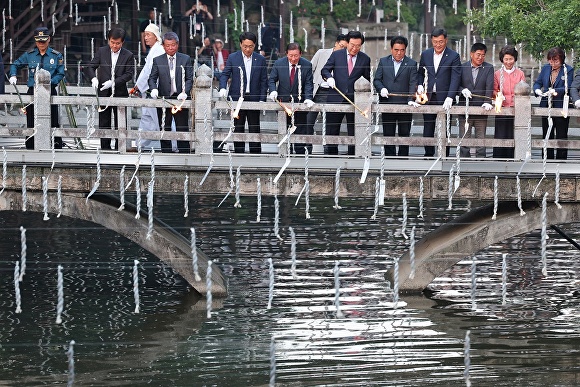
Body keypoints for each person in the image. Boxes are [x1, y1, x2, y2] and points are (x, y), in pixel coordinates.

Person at [9, 26, 64, 150]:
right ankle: (30, 146)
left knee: (53, 119)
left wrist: (49, 83)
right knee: (31, 120)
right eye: (39, 41)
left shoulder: (56, 56)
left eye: (43, 41)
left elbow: (60, 73)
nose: (41, 44)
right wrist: (13, 75)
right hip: (33, 91)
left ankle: (55, 146)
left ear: (48, 39)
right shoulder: (29, 55)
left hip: (50, 90)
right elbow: (15, 64)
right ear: (35, 41)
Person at [321, 30, 371, 155]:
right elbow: (325, 70)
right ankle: (331, 156)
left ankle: (353, 156)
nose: (354, 48)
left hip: (355, 101)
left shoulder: (365, 59)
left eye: (358, 46)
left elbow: (367, 80)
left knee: (354, 130)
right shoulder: (337, 55)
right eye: (352, 45)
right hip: (335, 98)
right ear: (347, 43)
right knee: (332, 130)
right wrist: (329, 78)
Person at [85, 27, 135, 151]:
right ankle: (105, 149)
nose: (114, 45)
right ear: (108, 40)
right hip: (103, 92)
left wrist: (113, 82)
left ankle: (120, 148)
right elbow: (90, 67)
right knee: (104, 122)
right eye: (112, 42)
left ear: (122, 42)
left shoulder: (128, 55)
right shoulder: (102, 51)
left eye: (118, 43)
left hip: (120, 93)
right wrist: (93, 79)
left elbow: (129, 74)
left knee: (120, 123)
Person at [218, 31, 268, 154]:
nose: (247, 49)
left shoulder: (260, 59)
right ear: (240, 44)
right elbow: (225, 75)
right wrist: (223, 88)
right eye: (245, 46)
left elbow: (264, 80)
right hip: (237, 97)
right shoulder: (233, 57)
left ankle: (256, 154)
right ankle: (239, 153)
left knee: (254, 127)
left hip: (254, 97)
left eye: (250, 46)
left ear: (254, 45)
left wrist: (262, 99)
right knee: (238, 127)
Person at [373, 35, 420, 157]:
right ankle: (389, 159)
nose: (399, 53)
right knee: (388, 134)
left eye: (402, 50)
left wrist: (410, 99)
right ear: (391, 49)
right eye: (396, 50)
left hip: (405, 105)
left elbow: (413, 83)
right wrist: (381, 88)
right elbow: (377, 79)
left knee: (404, 134)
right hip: (388, 103)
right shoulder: (384, 61)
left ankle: (403, 160)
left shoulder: (411, 64)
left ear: (405, 50)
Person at [418, 27, 461, 157]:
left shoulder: (454, 56)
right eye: (435, 41)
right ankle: (428, 155)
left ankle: (444, 156)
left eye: (441, 42)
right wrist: (420, 85)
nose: (438, 44)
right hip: (429, 96)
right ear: (432, 40)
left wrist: (450, 96)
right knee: (428, 127)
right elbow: (420, 72)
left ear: (446, 40)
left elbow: (455, 78)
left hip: (445, 97)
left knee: (446, 128)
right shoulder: (425, 54)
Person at [148, 32, 194, 153]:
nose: (170, 48)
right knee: (164, 126)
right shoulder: (158, 60)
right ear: (163, 46)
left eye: (173, 45)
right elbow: (152, 78)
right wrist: (153, 89)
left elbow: (189, 78)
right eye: (167, 45)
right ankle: (166, 153)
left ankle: (184, 152)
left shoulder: (185, 59)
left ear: (177, 45)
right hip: (164, 98)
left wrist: (185, 91)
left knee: (182, 127)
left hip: (181, 99)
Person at [268, 43, 315, 154]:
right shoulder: (279, 64)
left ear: (301, 54)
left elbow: (308, 83)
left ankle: (300, 156)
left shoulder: (307, 65)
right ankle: (284, 153)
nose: (293, 59)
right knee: (284, 130)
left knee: (300, 131)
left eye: (296, 56)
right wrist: (273, 90)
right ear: (286, 54)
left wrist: (308, 98)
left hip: (299, 104)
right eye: (290, 56)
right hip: (283, 103)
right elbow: (271, 80)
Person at [533, 47, 574, 160]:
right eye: (550, 60)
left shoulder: (568, 69)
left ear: (561, 59)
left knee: (561, 135)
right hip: (546, 105)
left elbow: (568, 87)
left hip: (561, 106)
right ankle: (546, 160)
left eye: (555, 61)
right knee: (547, 134)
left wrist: (555, 91)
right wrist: (537, 90)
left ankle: (561, 161)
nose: (553, 63)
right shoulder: (546, 68)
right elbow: (538, 83)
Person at [131, 23, 165, 151]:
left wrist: (139, 87)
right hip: (148, 90)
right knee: (148, 118)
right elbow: (146, 71)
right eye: (145, 35)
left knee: (159, 121)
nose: (145, 38)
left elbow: (151, 73)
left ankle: (175, 145)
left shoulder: (159, 50)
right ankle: (140, 145)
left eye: (148, 35)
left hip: (154, 90)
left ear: (155, 36)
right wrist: (138, 86)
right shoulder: (154, 50)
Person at [306, 34, 347, 135]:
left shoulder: (346, 58)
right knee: (308, 121)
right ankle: (307, 148)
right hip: (317, 90)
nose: (343, 49)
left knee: (330, 124)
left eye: (345, 48)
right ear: (336, 43)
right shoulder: (322, 53)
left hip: (333, 92)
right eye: (341, 46)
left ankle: (328, 149)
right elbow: (309, 69)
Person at [458, 42, 494, 158]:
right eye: (478, 54)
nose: (480, 57)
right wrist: (462, 90)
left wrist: (488, 101)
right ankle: (463, 163)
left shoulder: (488, 68)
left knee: (481, 140)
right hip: (465, 109)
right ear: (471, 54)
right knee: (464, 139)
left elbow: (489, 86)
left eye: (483, 55)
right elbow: (455, 84)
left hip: (481, 110)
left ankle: (481, 164)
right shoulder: (462, 67)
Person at [493, 45, 526, 159]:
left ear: (515, 59)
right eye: (506, 59)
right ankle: (498, 159)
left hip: (516, 108)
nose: (508, 62)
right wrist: (498, 95)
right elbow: (494, 89)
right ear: (502, 59)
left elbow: (523, 89)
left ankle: (513, 158)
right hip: (501, 108)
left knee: (514, 133)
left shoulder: (520, 73)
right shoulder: (497, 74)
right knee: (500, 134)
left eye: (511, 59)